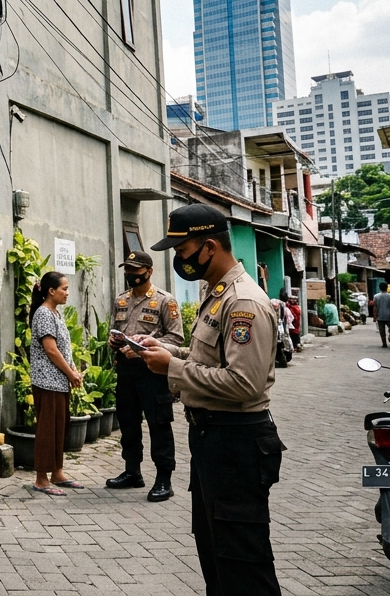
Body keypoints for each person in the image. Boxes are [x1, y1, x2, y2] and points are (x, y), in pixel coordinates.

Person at [136, 204, 285, 596]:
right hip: (212, 441)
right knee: (216, 556)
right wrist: (172, 355)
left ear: (210, 247)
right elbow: (212, 360)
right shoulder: (216, 295)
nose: (177, 259)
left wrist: (171, 369)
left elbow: (244, 383)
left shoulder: (243, 303)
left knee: (243, 565)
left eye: (182, 250)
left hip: (236, 442)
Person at [105, 250, 184, 502]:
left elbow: (175, 339)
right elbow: (115, 329)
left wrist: (146, 347)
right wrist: (114, 340)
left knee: (159, 424)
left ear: (149, 272)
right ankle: (132, 471)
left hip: (153, 370)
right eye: (127, 270)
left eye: (136, 271)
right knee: (128, 423)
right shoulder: (121, 300)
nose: (131, 275)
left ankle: (164, 479)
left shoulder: (164, 301)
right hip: (126, 371)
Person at [27, 271, 83, 497]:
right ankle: (41, 479)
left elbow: (63, 348)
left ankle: (57, 472)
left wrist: (73, 371)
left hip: (58, 382)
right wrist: (70, 373)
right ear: (51, 291)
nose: (67, 293)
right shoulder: (43, 314)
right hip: (47, 382)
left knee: (60, 428)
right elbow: (50, 349)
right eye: (64, 289)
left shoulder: (55, 314)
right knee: (47, 430)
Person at [372, 283, 390, 349]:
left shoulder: (376, 296)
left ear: (379, 288)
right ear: (387, 287)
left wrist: (374, 317)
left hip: (380, 316)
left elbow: (375, 308)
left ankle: (384, 343)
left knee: (382, 331)